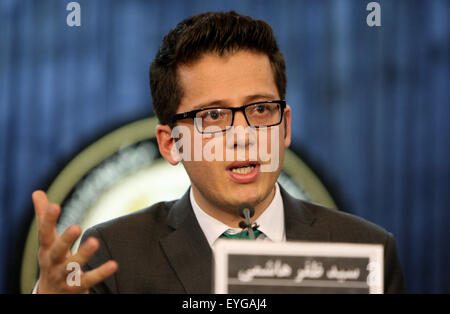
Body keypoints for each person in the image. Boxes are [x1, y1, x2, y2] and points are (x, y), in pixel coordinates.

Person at [31, 11, 406, 294]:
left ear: (285, 126)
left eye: (260, 110)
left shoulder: (366, 249)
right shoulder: (115, 254)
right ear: (171, 143)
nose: (242, 136)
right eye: (212, 116)